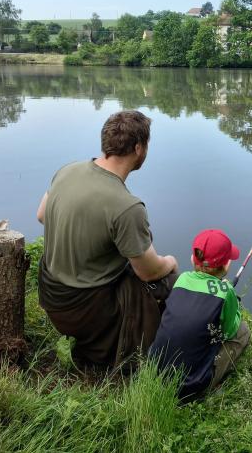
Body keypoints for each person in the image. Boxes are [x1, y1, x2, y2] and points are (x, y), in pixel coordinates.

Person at [36, 110, 178, 370]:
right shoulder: (127, 206)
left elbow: (42, 215)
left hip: (50, 296)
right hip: (84, 310)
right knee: (167, 280)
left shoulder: (68, 171)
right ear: (138, 148)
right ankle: (143, 354)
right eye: (145, 145)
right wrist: (170, 262)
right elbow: (148, 272)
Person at [149, 228, 251, 400]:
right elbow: (227, 332)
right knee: (243, 331)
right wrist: (235, 309)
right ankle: (208, 387)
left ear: (192, 258)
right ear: (226, 264)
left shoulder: (181, 279)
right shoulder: (226, 291)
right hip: (191, 386)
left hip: (155, 372)